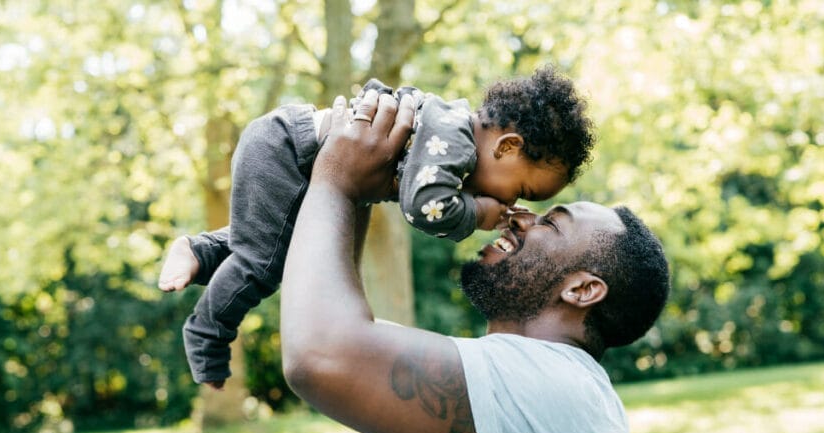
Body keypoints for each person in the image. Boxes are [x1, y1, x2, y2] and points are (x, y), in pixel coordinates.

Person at [279, 89, 670, 433]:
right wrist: (364, 184)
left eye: (551, 223)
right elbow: (336, 324)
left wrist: (337, 179)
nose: (520, 216)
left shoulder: (550, 383)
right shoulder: (525, 373)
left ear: (582, 290)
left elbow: (320, 353)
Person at [159, 66, 596, 388]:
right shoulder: (455, 141)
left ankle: (198, 251)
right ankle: (207, 335)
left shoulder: (452, 132)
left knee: (276, 244)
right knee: (262, 265)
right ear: (508, 146)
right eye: (520, 189)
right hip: (286, 153)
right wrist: (480, 213)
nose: (511, 203)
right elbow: (424, 206)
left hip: (286, 150)